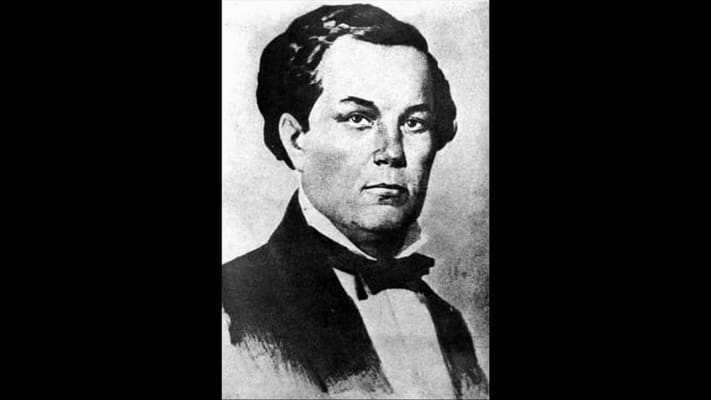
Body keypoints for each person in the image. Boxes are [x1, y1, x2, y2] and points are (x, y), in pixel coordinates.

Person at [222, 4, 488, 399]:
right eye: (359, 119)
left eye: (413, 123)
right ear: (295, 139)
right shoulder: (234, 309)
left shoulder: (448, 320)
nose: (392, 152)